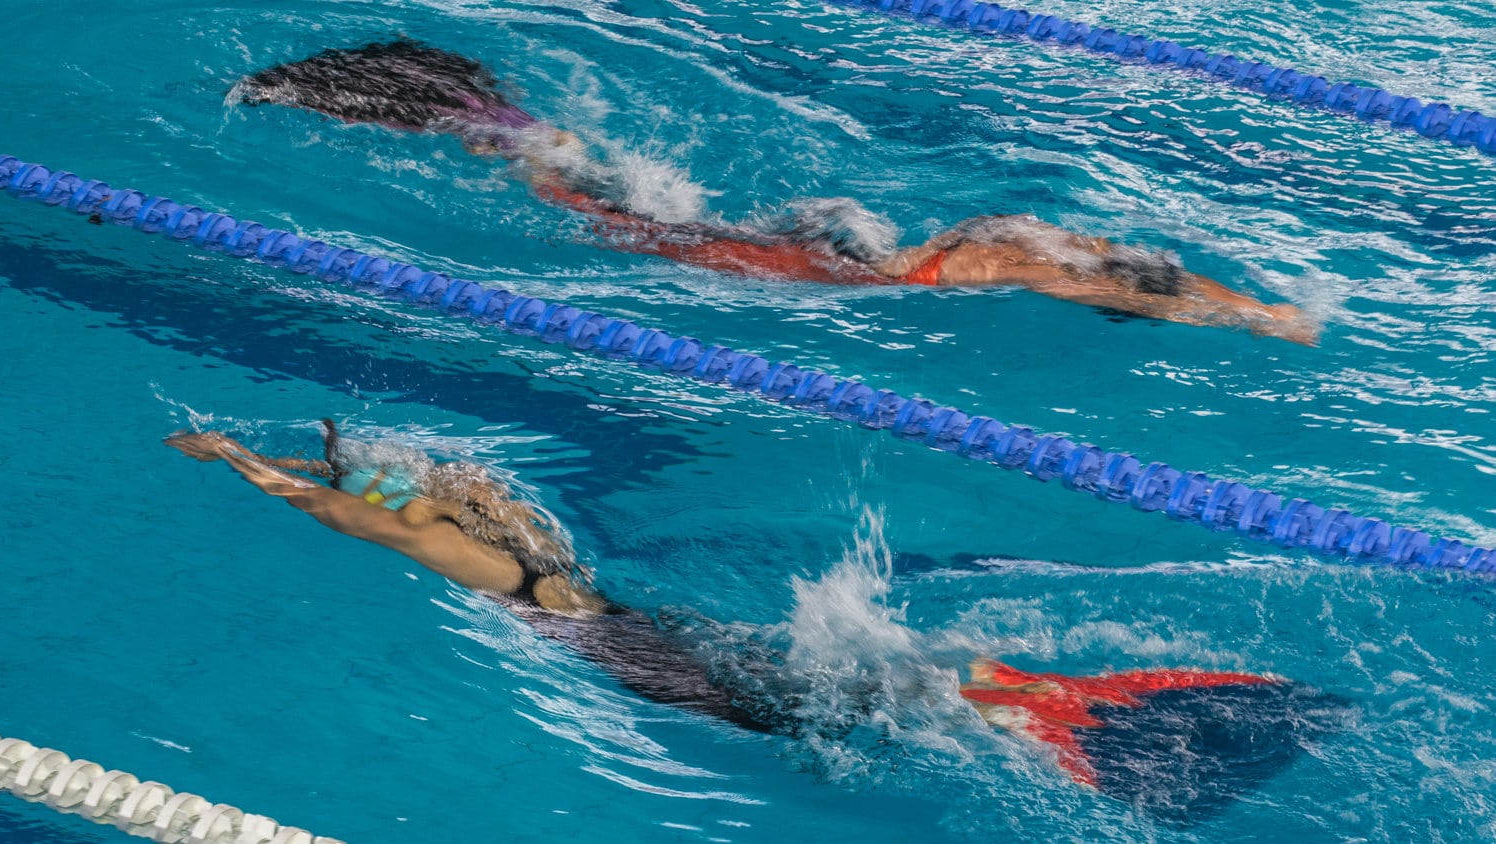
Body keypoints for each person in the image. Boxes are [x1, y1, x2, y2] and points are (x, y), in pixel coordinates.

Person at [166, 420, 1336, 819]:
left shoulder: (440, 544)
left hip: (632, 656)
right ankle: (1017, 685)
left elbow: (333, 509)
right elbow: (369, 489)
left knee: (819, 715)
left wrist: (236, 460)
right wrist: (315, 461)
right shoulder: (493, 512)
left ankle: (1034, 719)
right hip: (648, 617)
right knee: (832, 670)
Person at [232, 41, 1318, 345]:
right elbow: (1112, 288)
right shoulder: (1028, 264)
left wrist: (1259, 309)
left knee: (600, 193)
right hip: (810, 264)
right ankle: (454, 111)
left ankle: (479, 113)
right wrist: (1259, 319)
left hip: (846, 244)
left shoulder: (1039, 235)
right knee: (587, 206)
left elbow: (1141, 275)